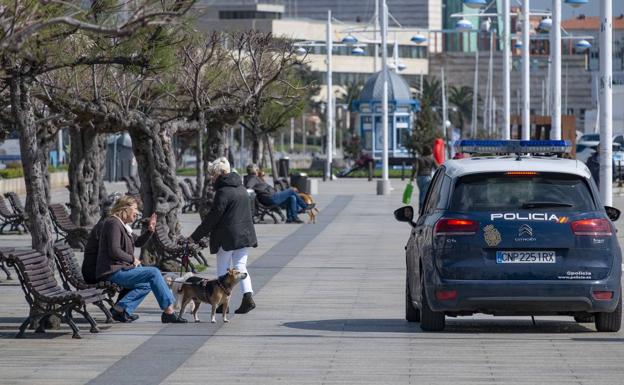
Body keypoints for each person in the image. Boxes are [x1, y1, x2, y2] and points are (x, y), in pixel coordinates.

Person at [96, 195, 187, 323]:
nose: (137, 213)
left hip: (120, 269)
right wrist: (132, 259)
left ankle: (119, 309)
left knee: (146, 283)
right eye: (135, 209)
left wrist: (150, 230)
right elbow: (114, 250)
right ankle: (169, 311)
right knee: (153, 272)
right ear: (125, 209)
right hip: (111, 271)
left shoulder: (122, 225)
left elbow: (137, 242)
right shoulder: (113, 223)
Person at [190, 157, 258, 314]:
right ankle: (248, 298)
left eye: (213, 174)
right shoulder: (241, 188)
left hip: (226, 237)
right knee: (240, 267)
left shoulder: (223, 192)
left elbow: (213, 217)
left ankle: (221, 303)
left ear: (221, 173)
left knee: (223, 268)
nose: (212, 178)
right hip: (245, 235)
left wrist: (195, 237)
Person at [244, 163, 312, 224]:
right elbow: (248, 186)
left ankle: (292, 218)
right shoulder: (253, 178)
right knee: (291, 190)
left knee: (292, 198)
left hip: (272, 197)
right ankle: (305, 206)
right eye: (257, 170)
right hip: (271, 198)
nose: (258, 171)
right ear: (254, 171)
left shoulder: (255, 178)